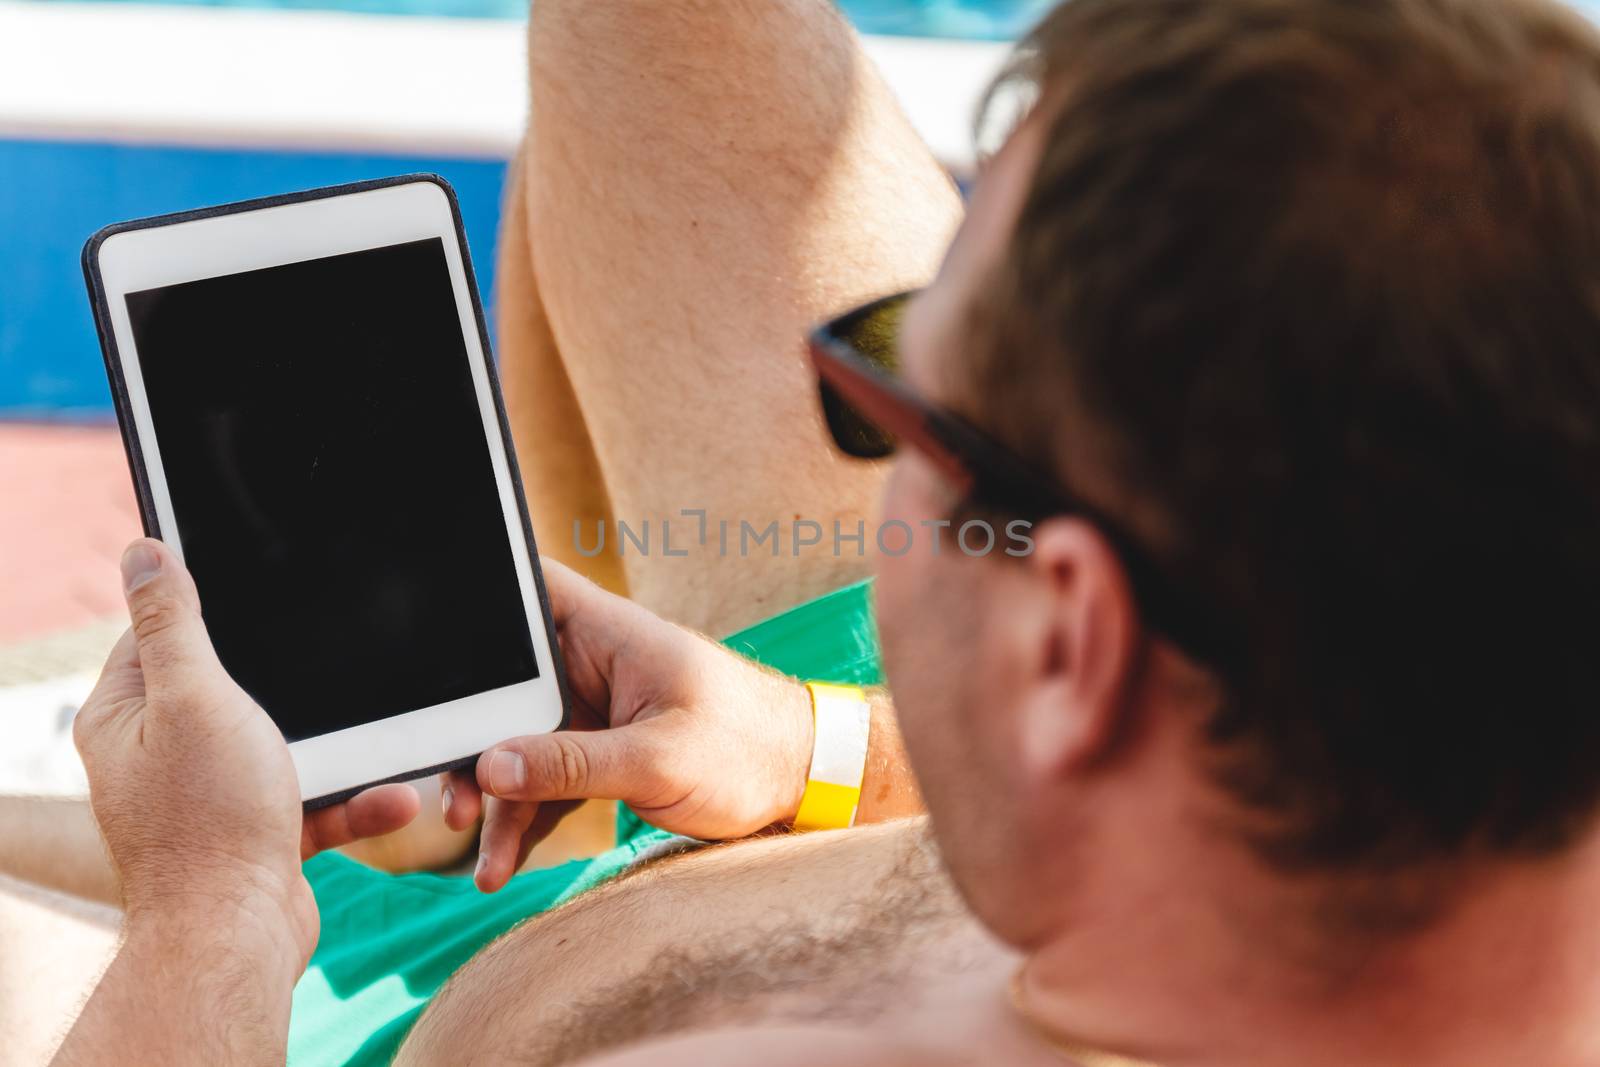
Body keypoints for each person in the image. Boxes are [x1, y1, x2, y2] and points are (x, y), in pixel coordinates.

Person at [25, 0, 1600, 1063]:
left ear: (1072, 638)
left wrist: (207, 919)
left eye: (894, 398)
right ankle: (427, 816)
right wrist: (817, 749)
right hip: (834, 808)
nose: (839, 379)